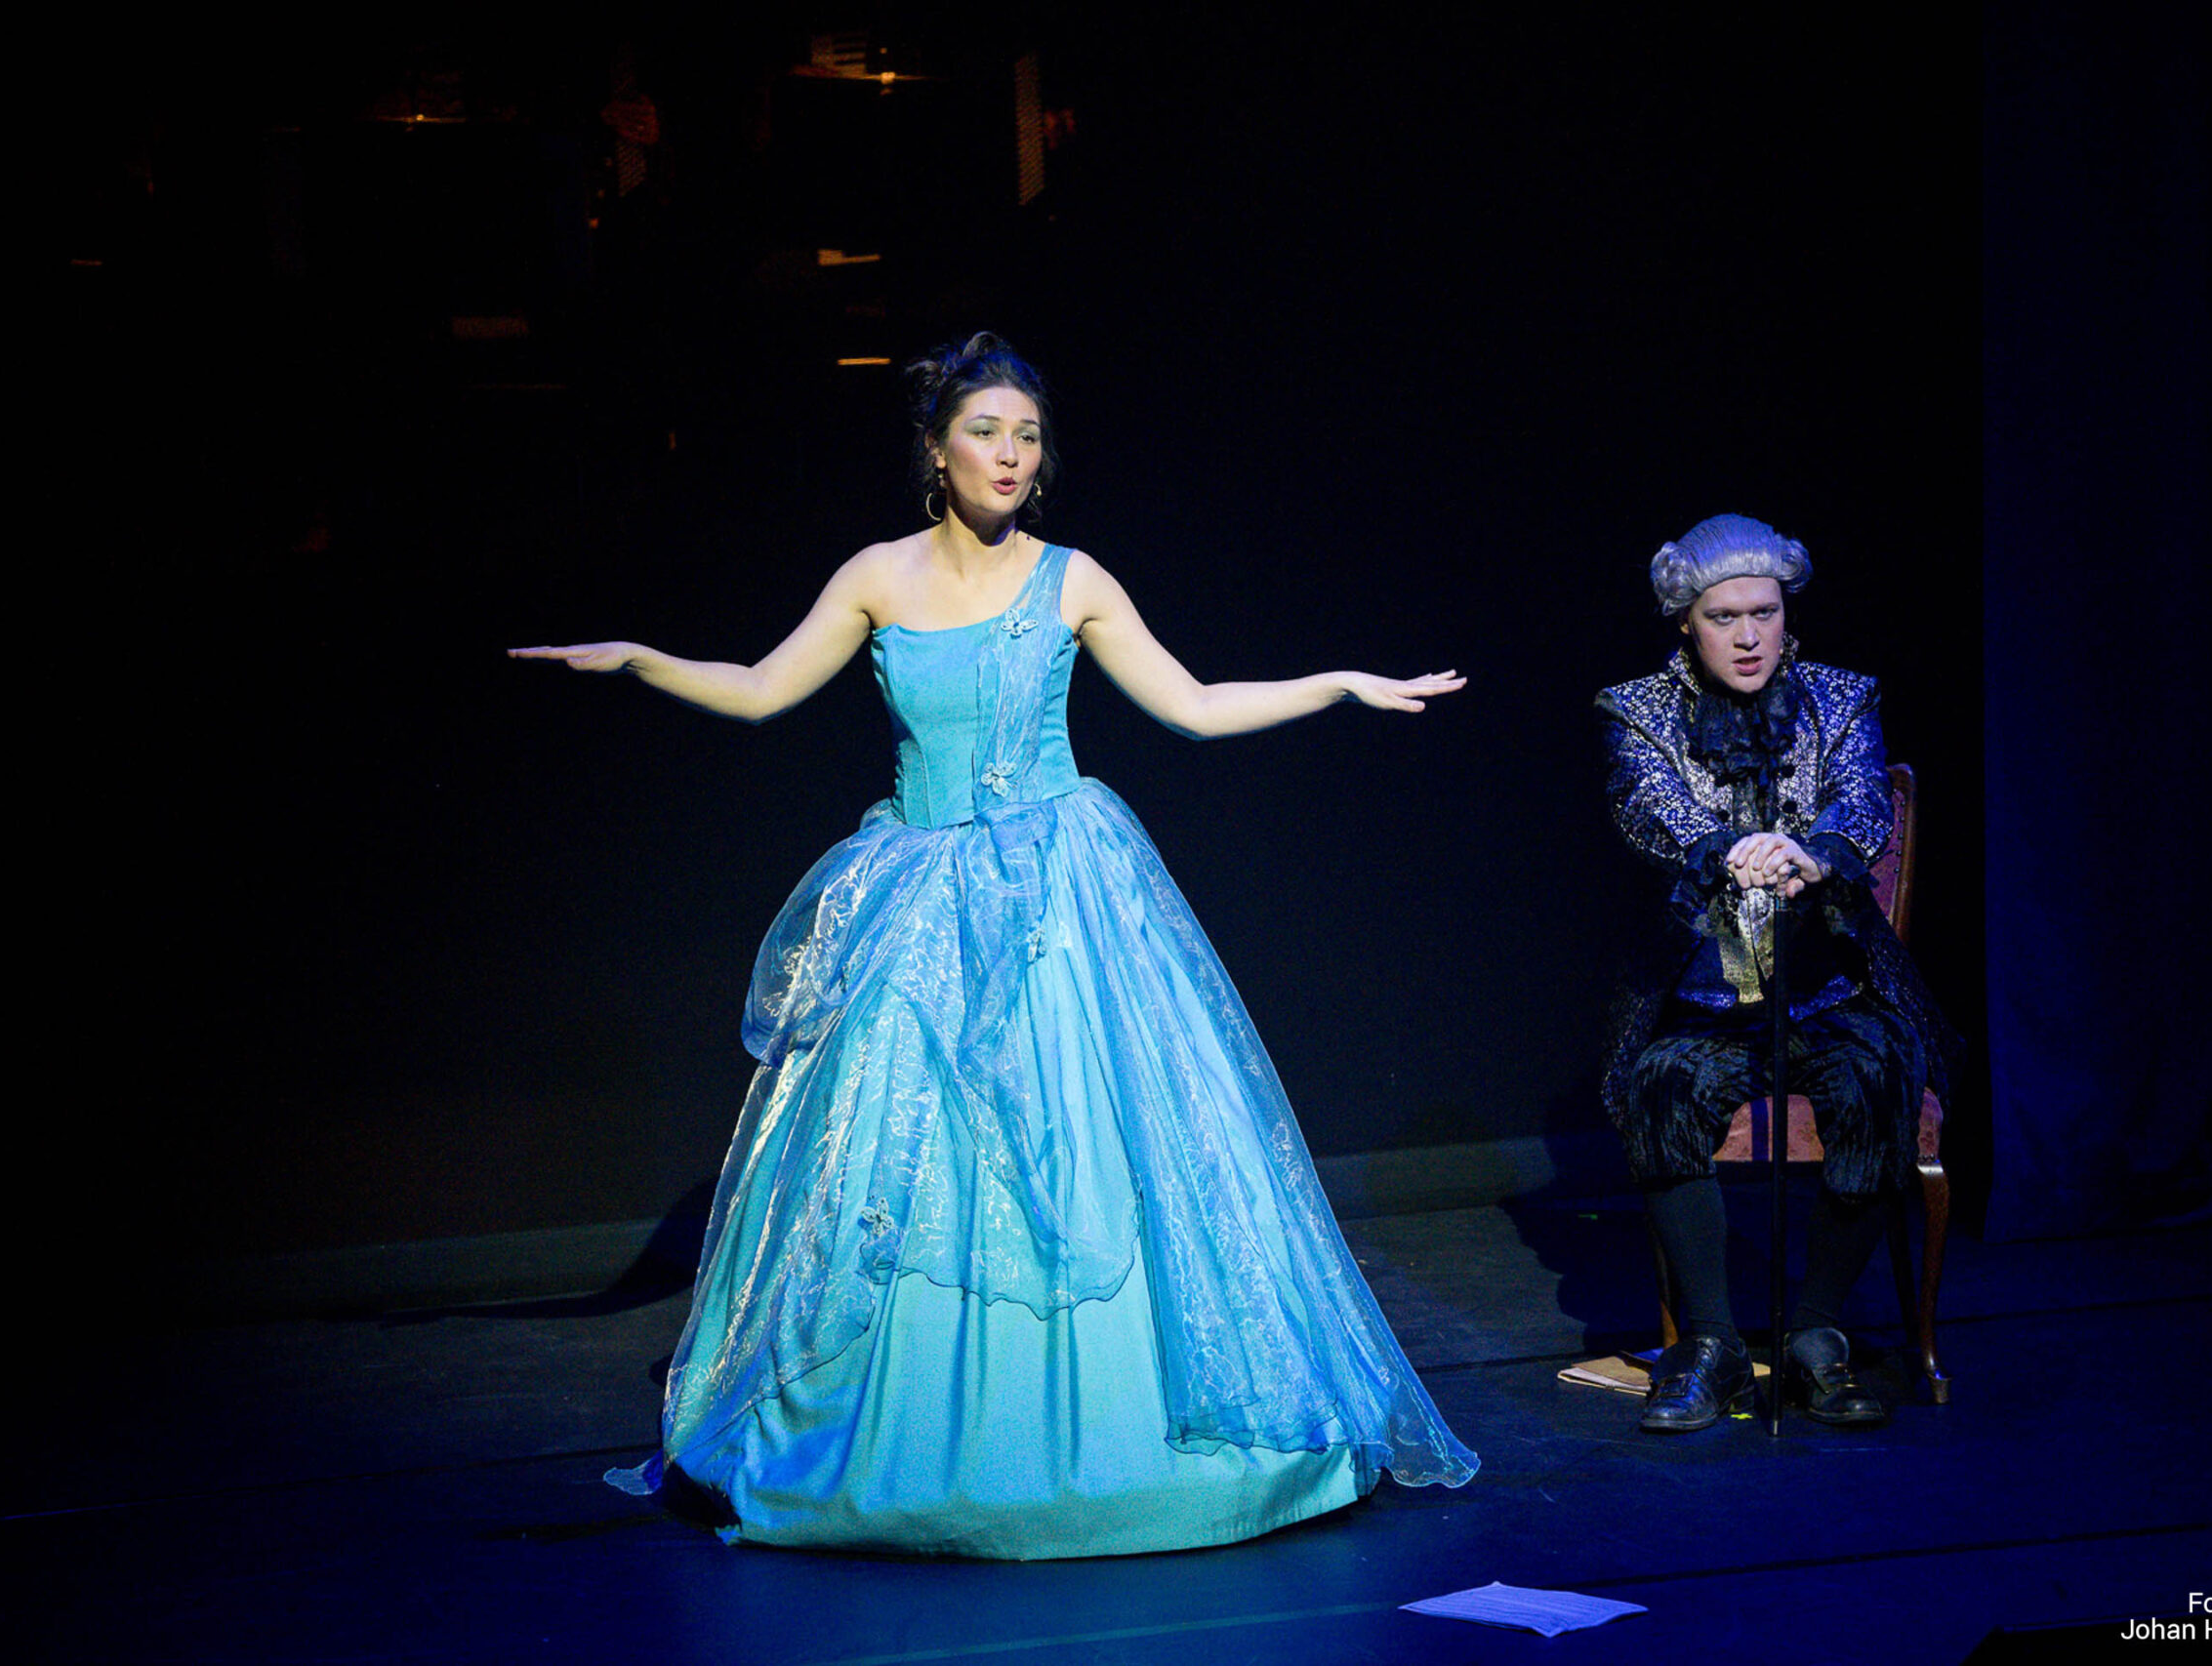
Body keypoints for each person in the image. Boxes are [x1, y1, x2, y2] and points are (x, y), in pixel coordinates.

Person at [512, 333, 1477, 1557]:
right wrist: (640, 661)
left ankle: (1109, 1431)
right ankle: (912, 1436)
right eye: (985, 432)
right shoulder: (878, 575)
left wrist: (1336, 682)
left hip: (1060, 898)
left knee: (1078, 1139)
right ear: (936, 450)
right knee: (904, 1150)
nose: (1009, 454)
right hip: (918, 901)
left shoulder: (1072, 579)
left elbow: (1189, 706)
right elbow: (760, 690)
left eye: (1027, 435)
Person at [1594, 513, 1955, 1435]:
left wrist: (1816, 851)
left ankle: (1816, 1331)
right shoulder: (1636, 710)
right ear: (1687, 621)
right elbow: (1651, 809)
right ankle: (1712, 1344)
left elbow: (1864, 799)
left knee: (1881, 1070)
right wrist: (1729, 848)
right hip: (1706, 996)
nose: (1750, 636)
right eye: (1725, 617)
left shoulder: (1842, 697)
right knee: (1662, 1084)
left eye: (1766, 612)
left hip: (1828, 984)